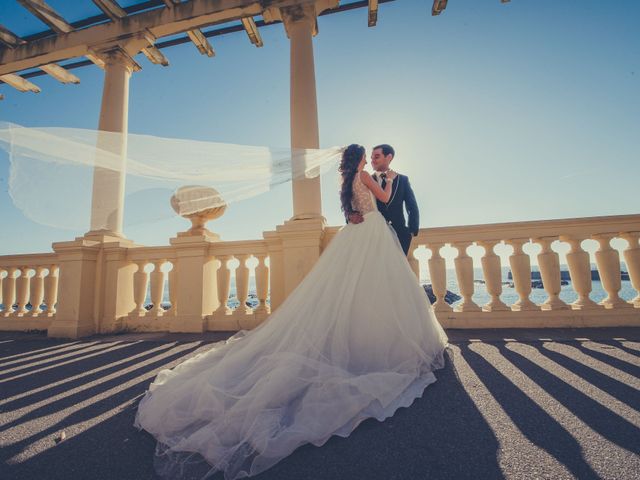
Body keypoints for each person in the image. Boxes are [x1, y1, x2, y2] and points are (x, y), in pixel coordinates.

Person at [134, 144, 448, 480]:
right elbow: (384, 201)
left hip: (354, 233)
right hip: (371, 231)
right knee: (376, 288)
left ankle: (362, 339)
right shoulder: (368, 178)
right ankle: (379, 342)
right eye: (367, 156)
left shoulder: (345, 183)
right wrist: (386, 182)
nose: (371, 160)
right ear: (361, 159)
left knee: (352, 292)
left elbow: (354, 208)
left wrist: (360, 209)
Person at [347, 144, 419, 255]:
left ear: (388, 157)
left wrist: (411, 231)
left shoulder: (402, 179)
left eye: (376, 157)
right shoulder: (364, 178)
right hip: (373, 235)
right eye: (371, 158)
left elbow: (411, 205)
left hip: (399, 235)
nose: (372, 161)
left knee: (396, 271)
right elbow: (353, 202)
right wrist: (349, 216)